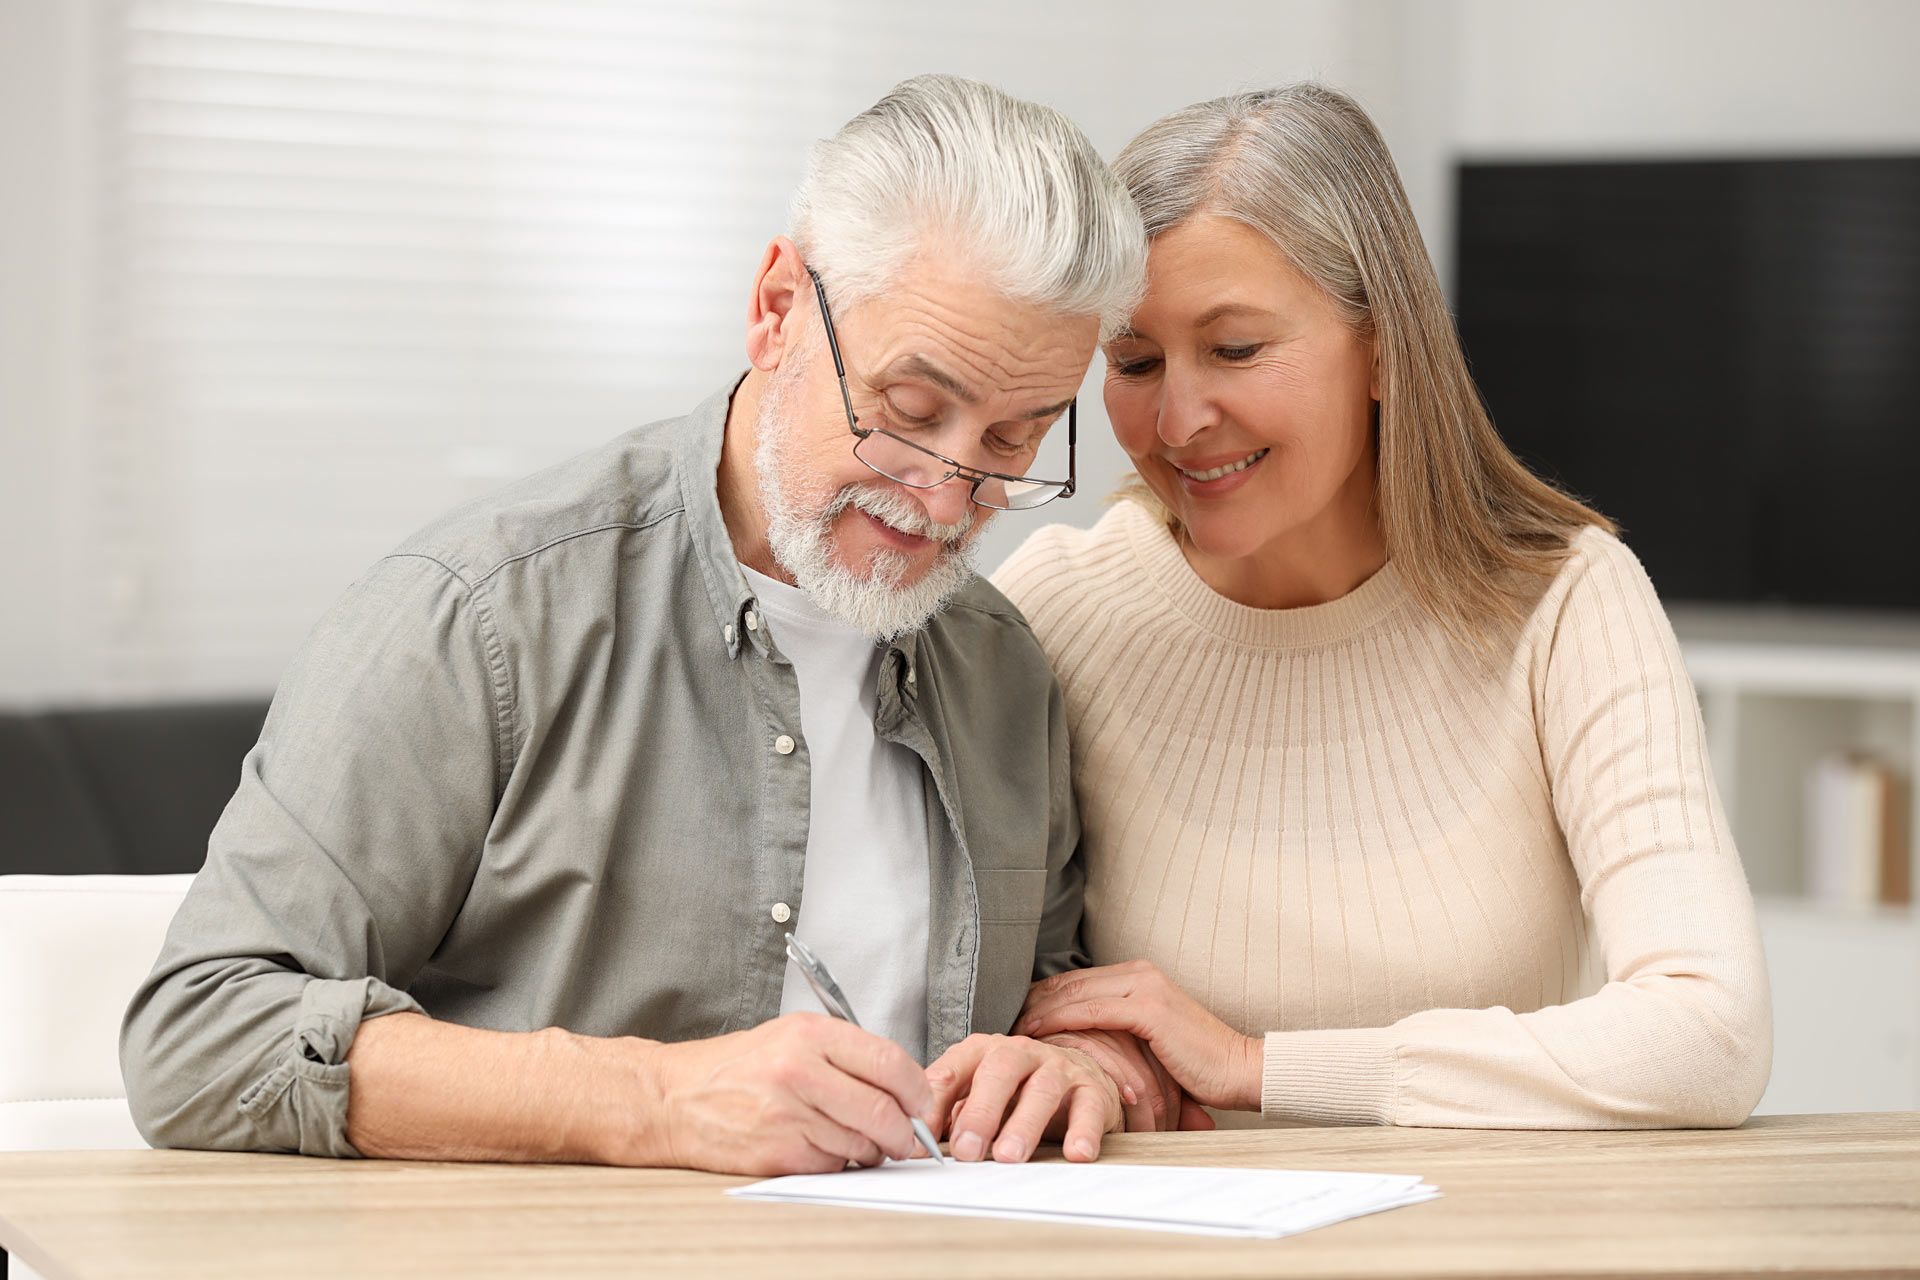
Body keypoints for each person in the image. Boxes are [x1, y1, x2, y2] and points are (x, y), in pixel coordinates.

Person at [120, 74, 1156, 1175]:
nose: (949, 501)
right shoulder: (483, 618)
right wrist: (649, 1099)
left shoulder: (1002, 666)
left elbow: (1055, 995)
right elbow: (199, 1032)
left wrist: (1079, 1059)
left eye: (1012, 443)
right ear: (776, 308)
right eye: (907, 412)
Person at [959, 83, 1772, 1139]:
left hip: (1482, 1241)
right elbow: (987, 992)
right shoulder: (1052, 612)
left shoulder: (1565, 603)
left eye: (1237, 348)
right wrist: (1074, 1051)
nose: (1179, 418)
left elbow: (1708, 1035)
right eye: (1135, 361)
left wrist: (1257, 1064)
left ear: (1383, 344)